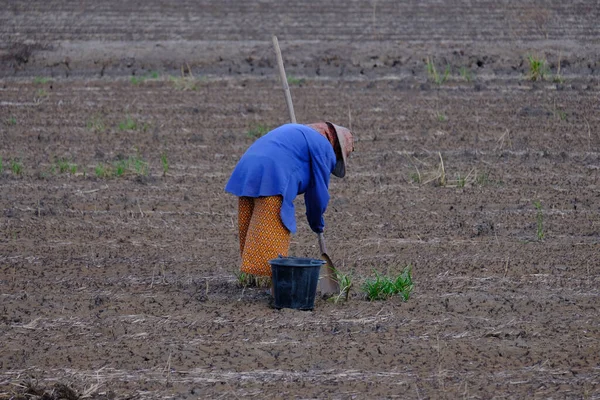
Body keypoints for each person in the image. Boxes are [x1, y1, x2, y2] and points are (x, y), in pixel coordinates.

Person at [225, 122, 354, 279]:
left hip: (248, 169)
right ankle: (272, 284)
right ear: (336, 148)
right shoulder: (324, 148)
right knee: (271, 233)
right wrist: (317, 224)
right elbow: (318, 195)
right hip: (273, 175)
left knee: (252, 227)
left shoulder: (299, 132)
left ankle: (253, 280)